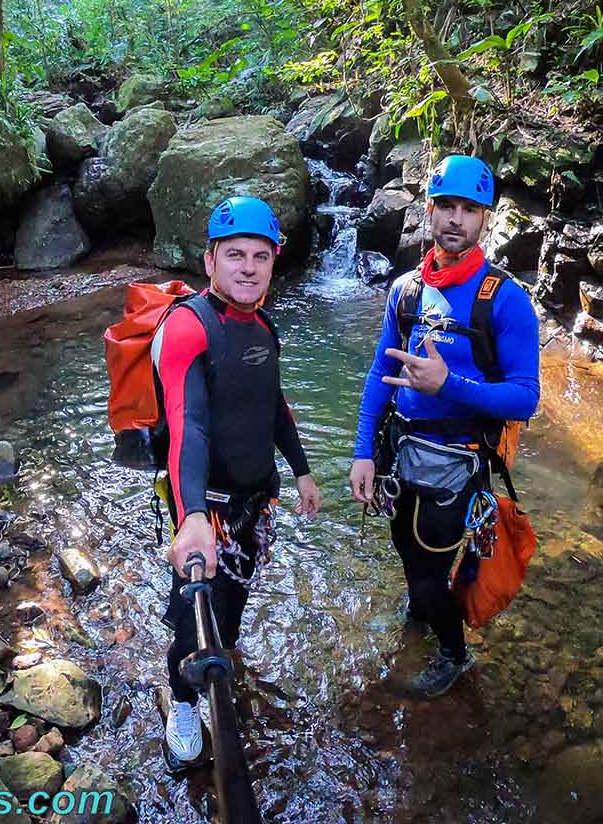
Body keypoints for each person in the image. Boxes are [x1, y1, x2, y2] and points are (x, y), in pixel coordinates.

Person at [348, 154, 540, 698]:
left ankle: (453, 654)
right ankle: (419, 615)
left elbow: (525, 399)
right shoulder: (406, 291)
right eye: (447, 207)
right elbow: (380, 373)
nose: (456, 219)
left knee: (429, 568)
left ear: (485, 219)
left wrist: (447, 385)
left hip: (458, 461)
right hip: (401, 450)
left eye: (469, 209)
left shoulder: (504, 300)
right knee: (406, 550)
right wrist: (364, 451)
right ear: (430, 212)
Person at [154, 195, 322, 761]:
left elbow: (272, 406)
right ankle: (181, 704)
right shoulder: (188, 328)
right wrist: (194, 517)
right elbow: (189, 425)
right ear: (209, 261)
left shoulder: (263, 327)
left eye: (260, 256)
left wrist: (300, 471)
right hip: (206, 502)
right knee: (195, 610)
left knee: (232, 606)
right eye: (235, 255)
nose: (248, 267)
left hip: (254, 502)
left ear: (274, 263)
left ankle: (219, 660)